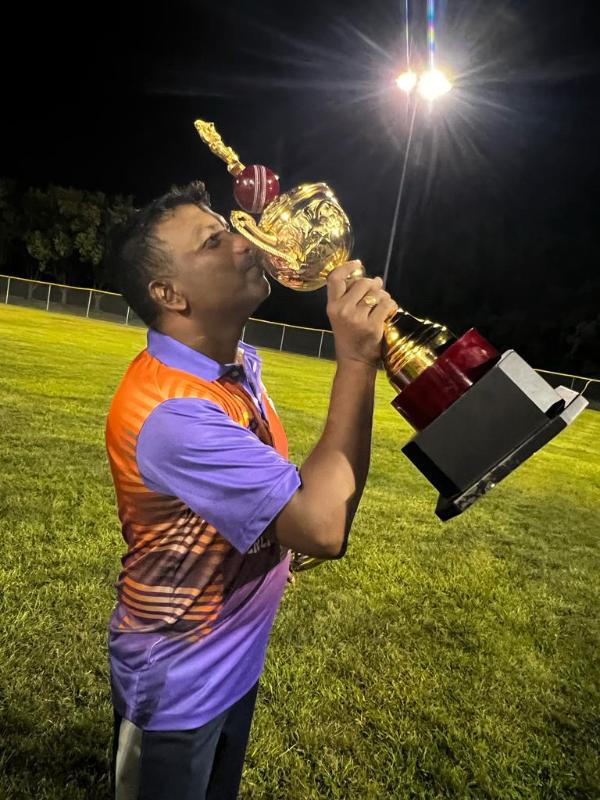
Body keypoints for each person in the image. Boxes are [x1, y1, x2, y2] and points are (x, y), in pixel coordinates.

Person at [104, 181, 397, 800]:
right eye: (214, 241)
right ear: (169, 294)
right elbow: (321, 526)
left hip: (234, 657)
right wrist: (355, 362)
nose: (244, 242)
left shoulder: (233, 364)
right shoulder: (173, 413)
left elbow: (270, 501)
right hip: (178, 681)